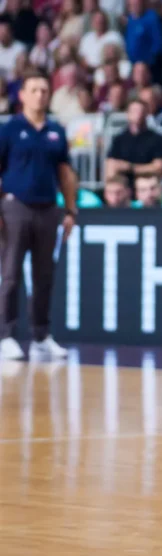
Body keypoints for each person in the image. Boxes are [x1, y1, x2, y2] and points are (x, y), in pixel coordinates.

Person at [0, 68, 78, 361]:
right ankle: (5, 336)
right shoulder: (9, 129)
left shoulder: (56, 131)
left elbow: (66, 173)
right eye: (34, 89)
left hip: (49, 208)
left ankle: (41, 337)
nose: (40, 94)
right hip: (15, 206)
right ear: (22, 95)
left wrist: (70, 209)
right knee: (10, 275)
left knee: (44, 275)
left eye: (44, 90)